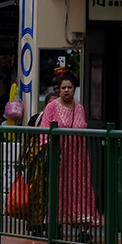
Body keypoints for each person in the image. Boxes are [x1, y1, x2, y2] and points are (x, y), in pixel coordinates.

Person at [32, 70, 96, 235]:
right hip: (60, 156)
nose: (67, 90)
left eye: (70, 87)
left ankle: (84, 228)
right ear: (58, 89)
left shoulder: (79, 108)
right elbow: (44, 130)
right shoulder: (51, 107)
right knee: (61, 189)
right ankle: (57, 225)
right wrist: (51, 150)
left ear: (75, 89)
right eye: (64, 87)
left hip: (79, 157)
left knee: (82, 189)